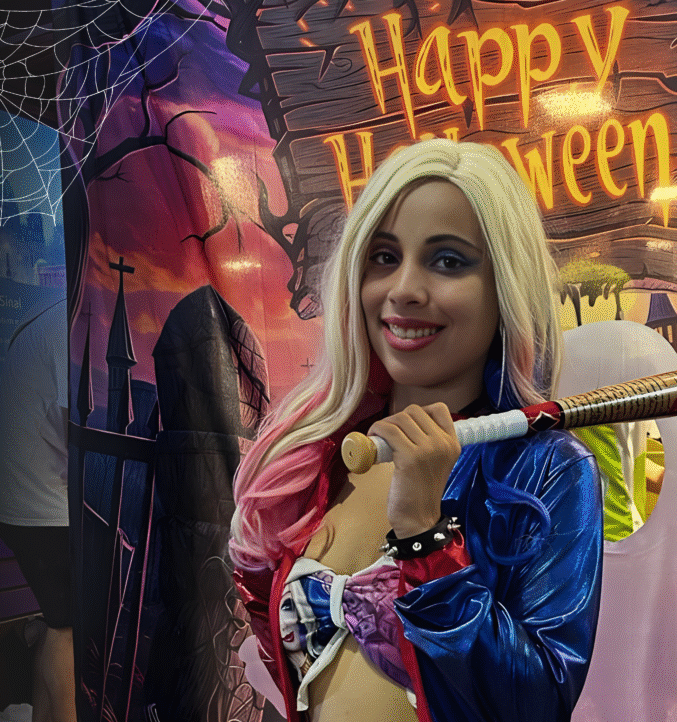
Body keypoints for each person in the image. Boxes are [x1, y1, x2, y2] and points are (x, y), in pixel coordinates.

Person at [229, 139, 603, 722]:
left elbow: (537, 705)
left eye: (448, 261)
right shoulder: (315, 456)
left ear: (505, 285)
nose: (404, 288)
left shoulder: (547, 469)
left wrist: (427, 537)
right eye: (383, 256)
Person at [0, 296, 76, 722]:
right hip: (35, 499)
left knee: (59, 620)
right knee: (73, 627)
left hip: (14, 491)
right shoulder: (76, 321)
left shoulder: (61, 310)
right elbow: (83, 430)